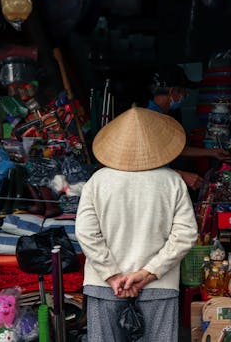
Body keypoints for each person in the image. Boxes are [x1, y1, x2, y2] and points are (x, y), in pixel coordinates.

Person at [76, 107, 198, 341]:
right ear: (158, 146)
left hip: (104, 285)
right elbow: (185, 235)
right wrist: (148, 274)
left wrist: (111, 275)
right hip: (159, 286)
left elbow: (86, 233)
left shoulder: (97, 181)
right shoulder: (172, 182)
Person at [147, 65, 231, 189]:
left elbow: (174, 149)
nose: (185, 95)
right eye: (183, 91)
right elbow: (146, 167)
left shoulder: (160, 116)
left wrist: (212, 152)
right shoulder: (150, 121)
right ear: (172, 92)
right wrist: (180, 176)